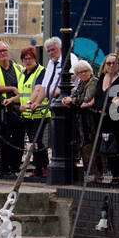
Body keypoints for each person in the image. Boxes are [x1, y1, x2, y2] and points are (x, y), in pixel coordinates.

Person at [26, 37, 80, 178]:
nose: (50, 53)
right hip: (53, 104)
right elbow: (44, 86)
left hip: (65, 103)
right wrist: (37, 102)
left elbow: (73, 77)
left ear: (60, 48)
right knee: (52, 136)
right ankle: (48, 164)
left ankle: (69, 163)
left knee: (66, 135)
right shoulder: (50, 63)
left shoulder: (70, 58)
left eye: (53, 50)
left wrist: (59, 90)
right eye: (48, 51)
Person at [0, 41, 26, 178]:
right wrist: (12, 89)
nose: (3, 53)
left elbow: (24, 86)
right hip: (2, 109)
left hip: (18, 108)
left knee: (19, 138)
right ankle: (5, 168)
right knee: (5, 140)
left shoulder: (18, 68)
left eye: (4, 50)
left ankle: (15, 166)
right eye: (0, 52)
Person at [92, 53, 119, 187]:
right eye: (108, 63)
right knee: (106, 148)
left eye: (114, 63)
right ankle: (111, 174)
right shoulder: (102, 77)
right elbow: (97, 97)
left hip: (118, 120)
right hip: (102, 120)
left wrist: (108, 109)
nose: (111, 66)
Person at [60, 60, 97, 179]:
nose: (83, 74)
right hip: (82, 120)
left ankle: (95, 173)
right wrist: (68, 99)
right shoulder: (81, 83)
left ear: (90, 71)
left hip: (91, 120)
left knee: (91, 145)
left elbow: (86, 99)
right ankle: (89, 172)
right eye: (80, 72)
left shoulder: (93, 82)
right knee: (84, 145)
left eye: (85, 71)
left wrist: (73, 101)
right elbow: (75, 95)